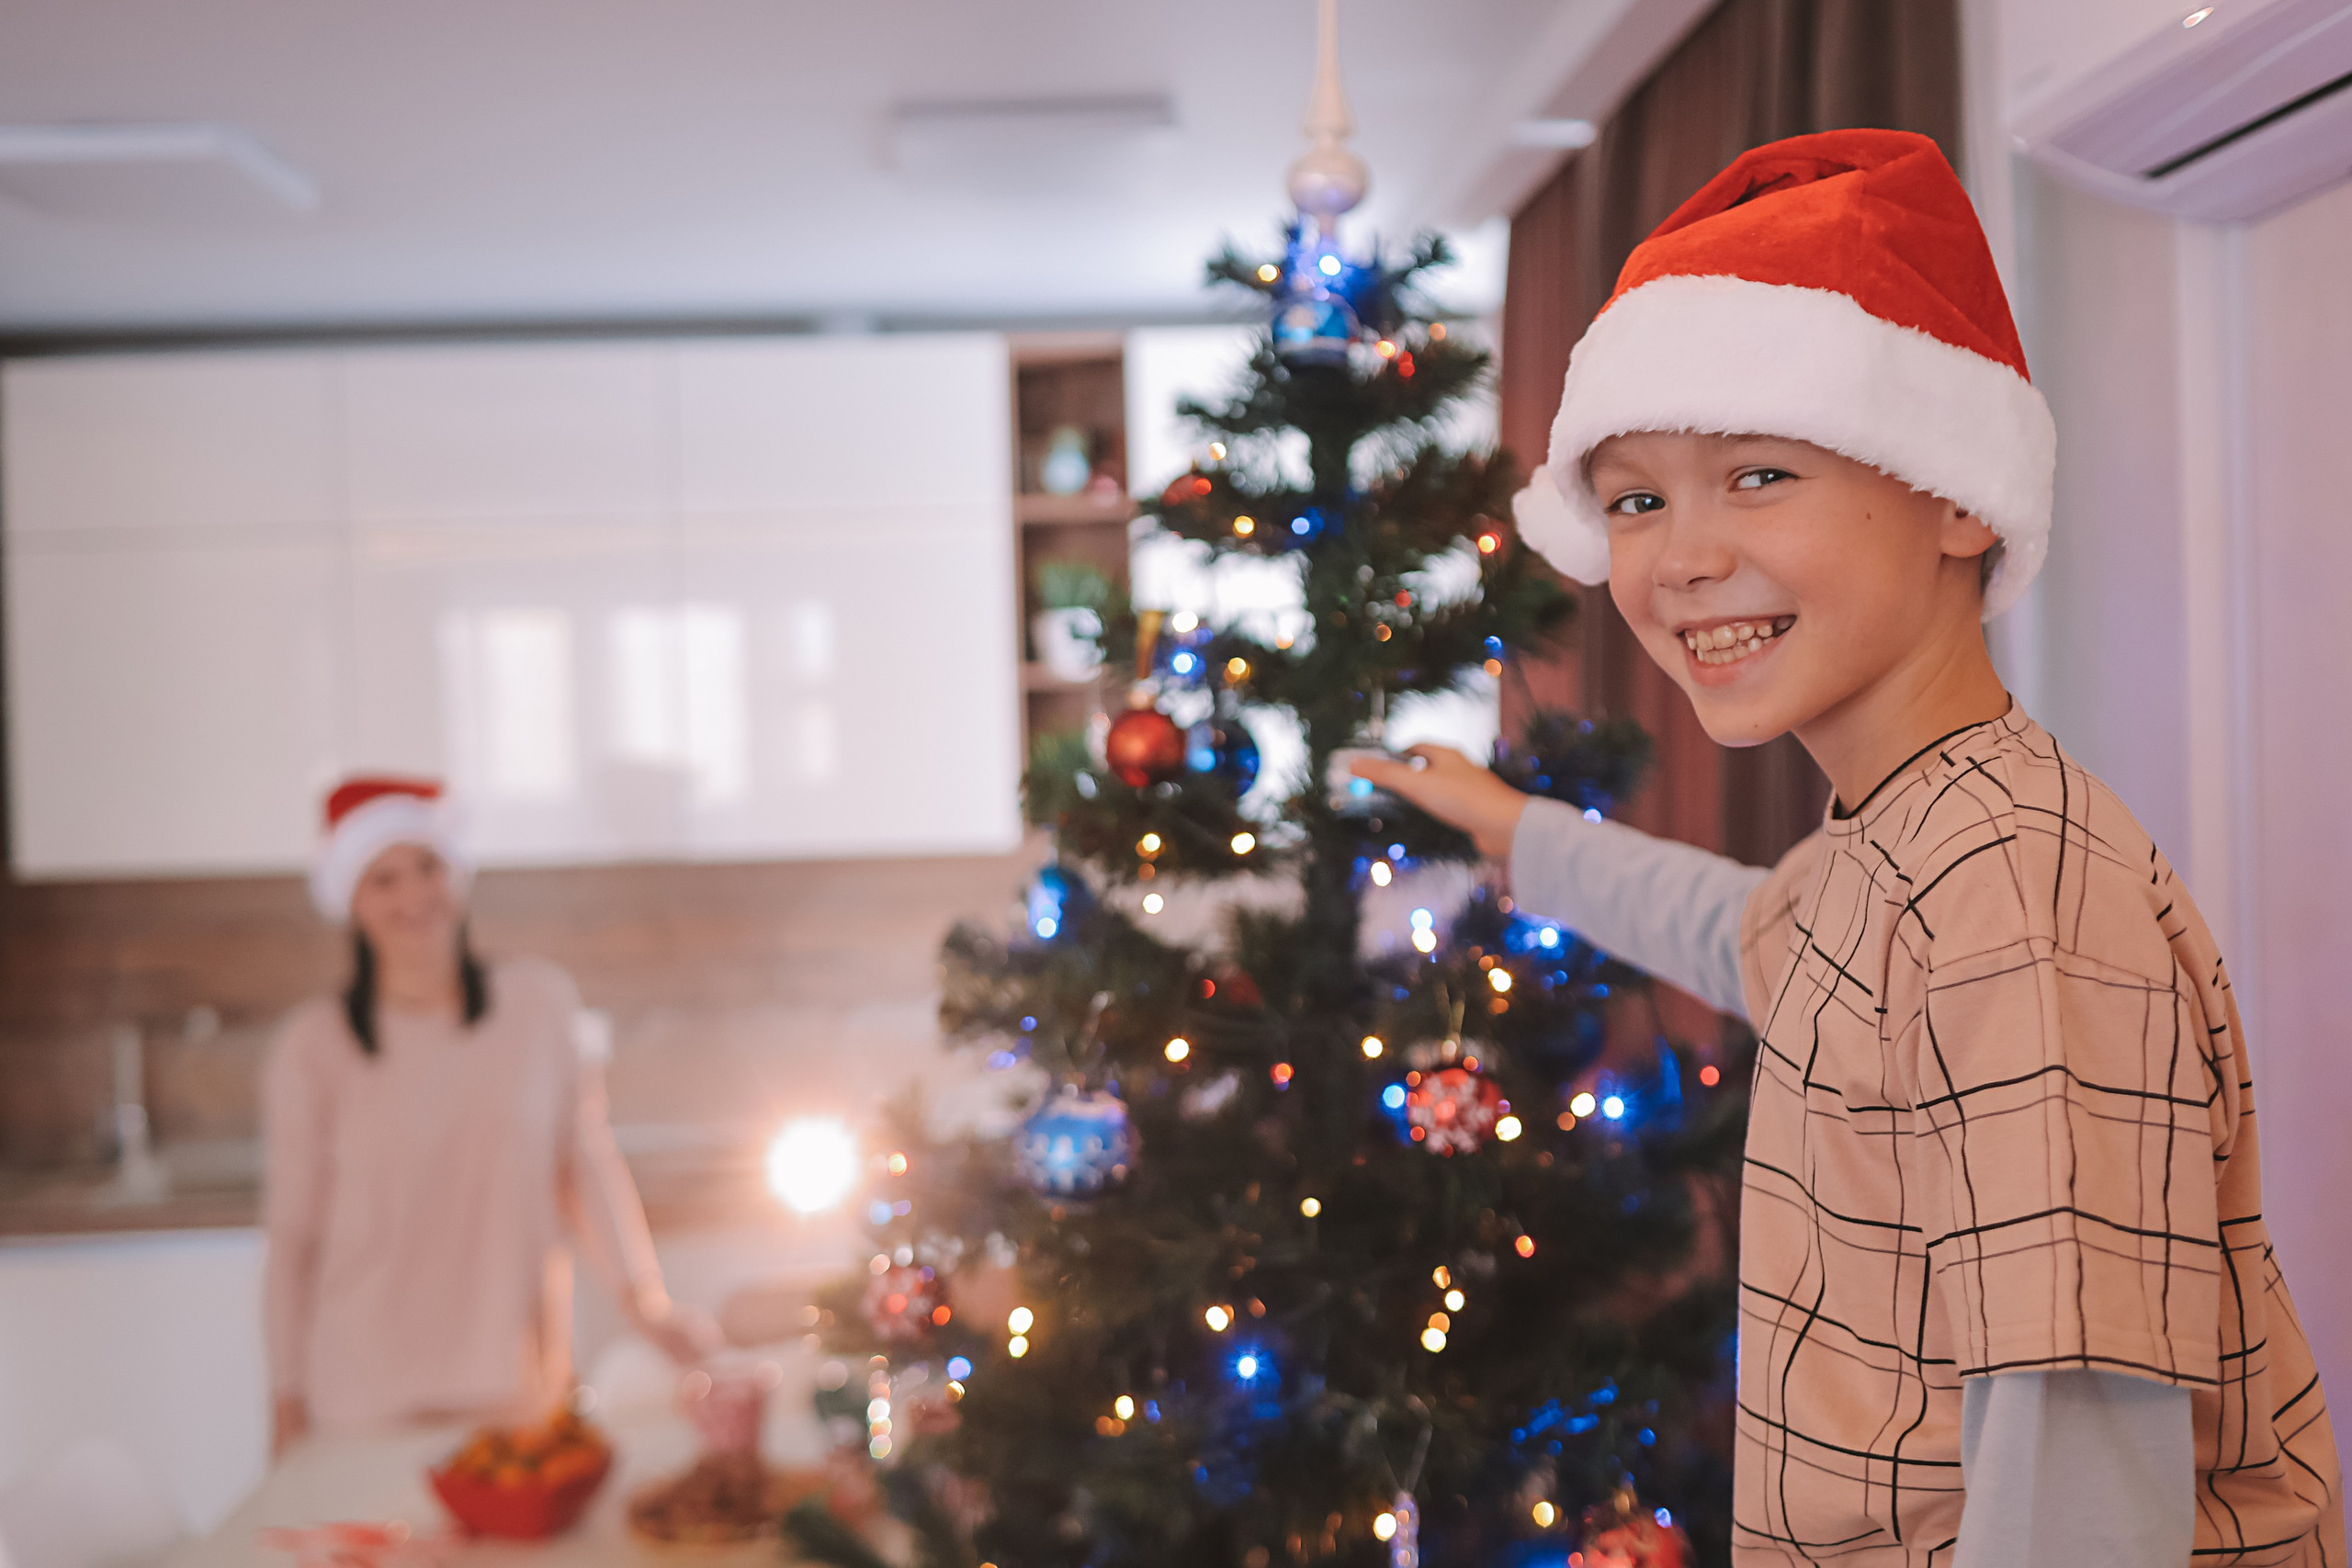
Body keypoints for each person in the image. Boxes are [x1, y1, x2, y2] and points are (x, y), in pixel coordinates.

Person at [1358, 130, 2343, 1565]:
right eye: (1636, 497)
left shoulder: (2012, 896)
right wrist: (1513, 827)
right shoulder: (1905, 832)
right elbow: (1757, 933)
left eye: (1755, 473)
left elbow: (2073, 1470)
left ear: (1956, 492)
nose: (1680, 556)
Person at [264, 776, 709, 1455]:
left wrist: (644, 1300)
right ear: (351, 902)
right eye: (382, 879)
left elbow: (586, 1166)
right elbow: (292, 1241)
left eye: (427, 866)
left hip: (515, 1382)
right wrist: (285, 1400)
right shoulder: (313, 1045)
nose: (414, 895)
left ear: (458, 876)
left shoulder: (539, 1004)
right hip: (362, 1395)